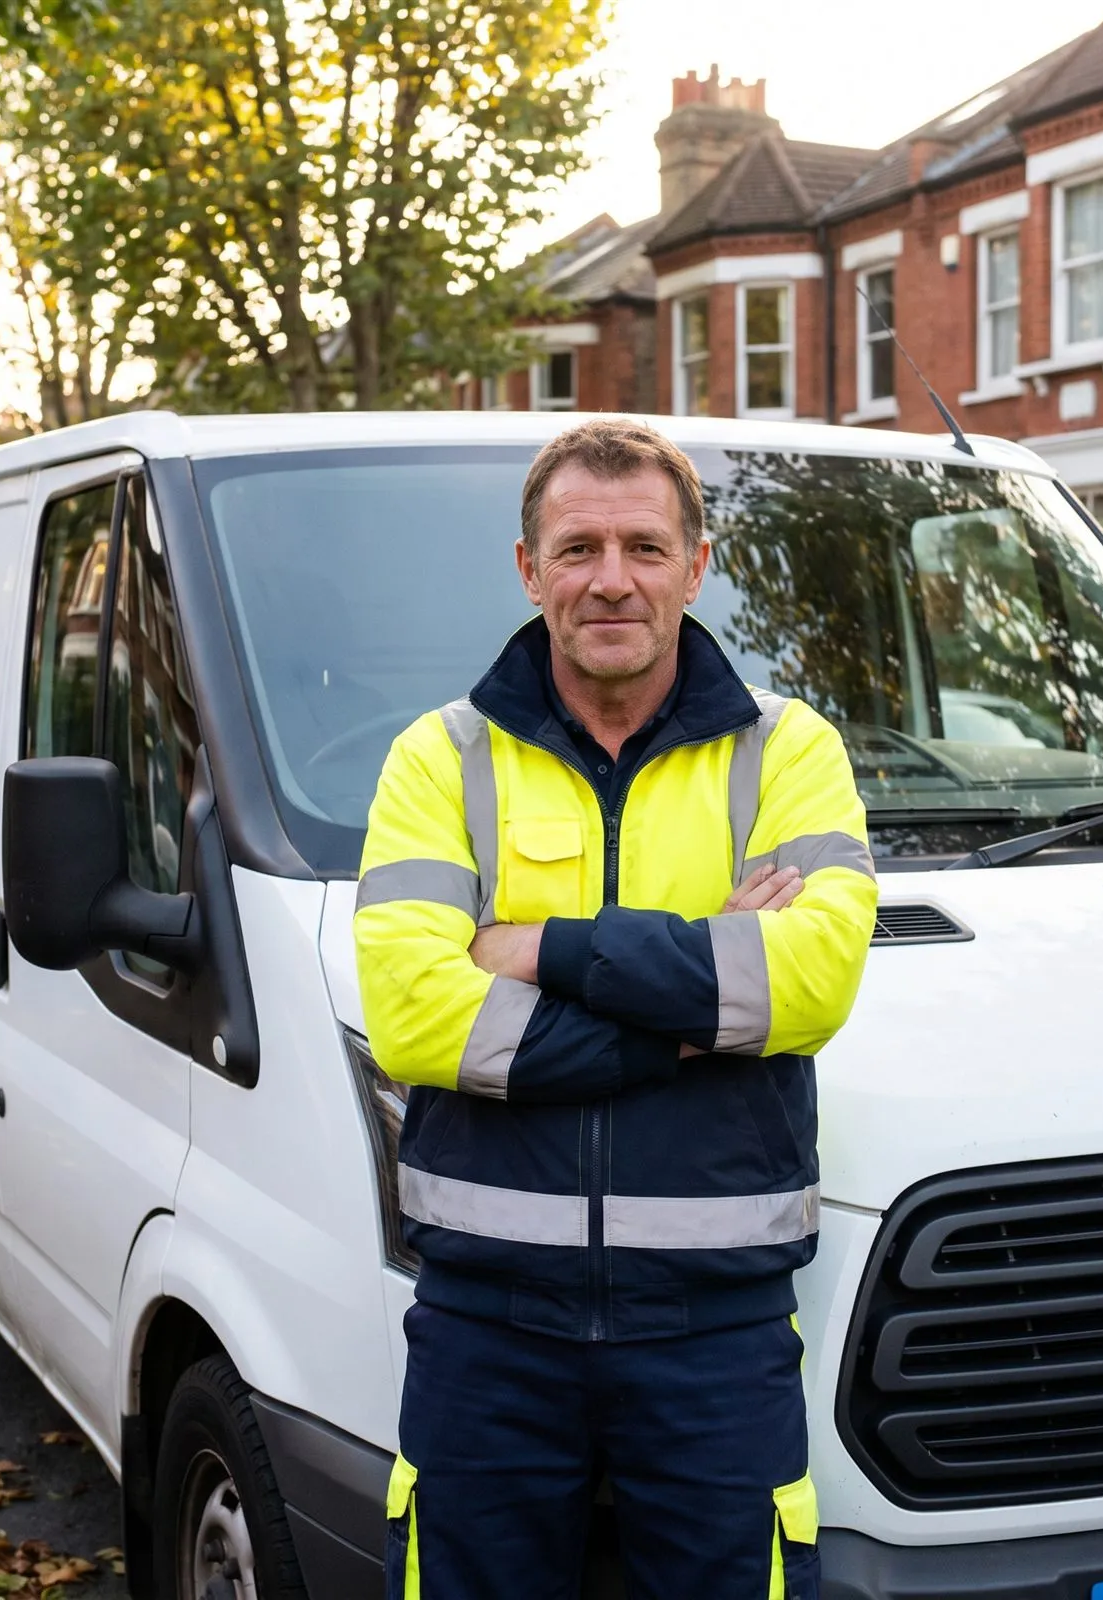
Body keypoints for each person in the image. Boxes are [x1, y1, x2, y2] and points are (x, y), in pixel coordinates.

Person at [354, 418, 877, 1600]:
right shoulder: (440, 758)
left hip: (716, 1332)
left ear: (695, 567)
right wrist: (697, 1010)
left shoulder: (786, 750)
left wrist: (529, 946)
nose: (610, 579)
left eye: (643, 547)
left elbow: (808, 982)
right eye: (577, 548)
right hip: (485, 1328)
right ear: (528, 568)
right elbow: (416, 1015)